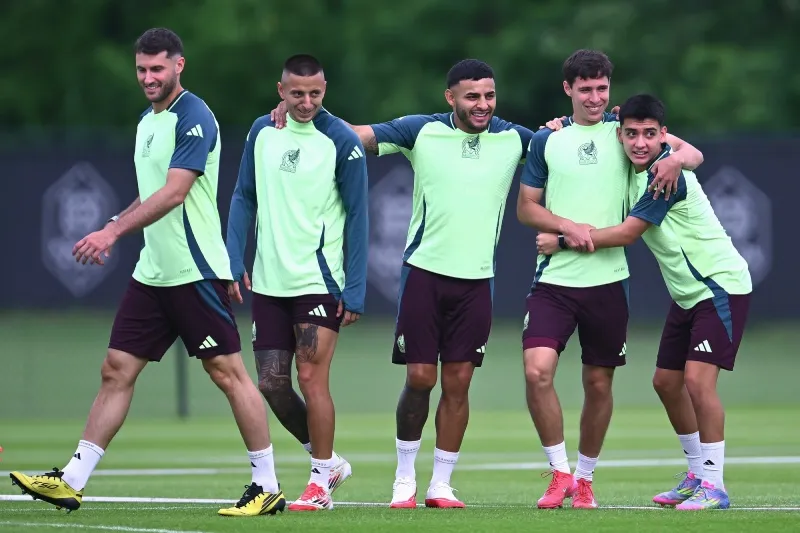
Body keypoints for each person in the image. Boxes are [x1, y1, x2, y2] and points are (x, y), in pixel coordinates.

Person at [9, 28, 286, 517]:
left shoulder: (194, 116)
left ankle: (266, 485)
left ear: (179, 65)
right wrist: (113, 223)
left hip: (193, 269)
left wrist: (111, 235)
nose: (148, 78)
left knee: (228, 374)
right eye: (141, 69)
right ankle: (71, 480)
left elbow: (176, 191)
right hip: (154, 272)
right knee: (115, 370)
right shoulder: (147, 121)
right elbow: (151, 190)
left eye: (157, 68)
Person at [272, 58, 535, 508]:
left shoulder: (516, 139)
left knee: (458, 383)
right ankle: (405, 478)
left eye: (489, 96)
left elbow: (567, 148)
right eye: (472, 96)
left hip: (477, 282)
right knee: (420, 377)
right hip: (424, 276)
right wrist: (301, 114)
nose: (482, 105)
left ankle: (441, 485)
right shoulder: (421, 131)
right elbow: (353, 136)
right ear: (450, 97)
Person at [536, 94, 751, 510]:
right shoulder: (648, 158)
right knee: (665, 382)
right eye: (631, 134)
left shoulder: (665, 176)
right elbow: (689, 150)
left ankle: (715, 485)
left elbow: (627, 234)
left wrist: (561, 241)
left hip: (719, 287)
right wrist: (562, 122)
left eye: (650, 135)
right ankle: (695, 473)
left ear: (662, 136)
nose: (639, 142)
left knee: (696, 382)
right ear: (620, 134)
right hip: (688, 296)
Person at [516, 49, 705, 509]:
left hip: (608, 282)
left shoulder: (625, 130)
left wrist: (674, 160)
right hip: (554, 281)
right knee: (537, 371)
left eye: (602, 88)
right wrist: (568, 227)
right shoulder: (547, 139)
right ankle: (559, 472)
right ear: (568, 90)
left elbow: (690, 151)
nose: (596, 97)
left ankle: (585, 478)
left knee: (599, 384)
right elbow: (526, 208)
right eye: (586, 89)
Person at [226, 54, 368, 512]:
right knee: (270, 383)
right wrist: (233, 260)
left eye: (315, 93)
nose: (306, 102)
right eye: (297, 93)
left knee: (311, 378)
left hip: (319, 282)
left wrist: (357, 289)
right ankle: (327, 461)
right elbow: (243, 195)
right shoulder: (261, 131)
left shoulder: (341, 141)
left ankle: (319, 482)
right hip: (269, 283)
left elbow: (360, 217)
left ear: (325, 89)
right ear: (281, 90)